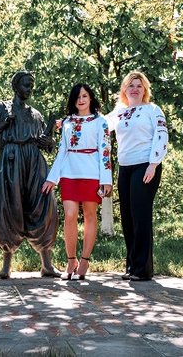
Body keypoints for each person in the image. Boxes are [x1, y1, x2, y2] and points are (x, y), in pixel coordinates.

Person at [0, 71, 61, 279]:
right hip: (11, 160)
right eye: (26, 85)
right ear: (15, 86)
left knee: (42, 206)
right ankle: (6, 265)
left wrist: (49, 141)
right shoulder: (1, 108)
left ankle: (47, 264)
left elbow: (48, 145)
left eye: (31, 86)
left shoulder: (36, 114)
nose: (29, 89)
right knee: (9, 207)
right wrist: (4, 124)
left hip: (35, 162)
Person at [42, 83, 112, 280]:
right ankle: (71, 260)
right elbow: (62, 151)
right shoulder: (67, 122)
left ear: (91, 98)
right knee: (70, 214)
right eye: (77, 97)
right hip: (69, 173)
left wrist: (106, 180)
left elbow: (105, 151)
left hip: (92, 173)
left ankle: (85, 260)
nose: (81, 100)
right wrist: (52, 178)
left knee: (90, 215)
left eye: (84, 96)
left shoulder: (101, 122)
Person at [106, 70, 168, 281]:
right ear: (124, 89)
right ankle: (132, 266)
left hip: (146, 165)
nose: (134, 89)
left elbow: (161, 135)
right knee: (128, 217)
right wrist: (69, 121)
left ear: (144, 90)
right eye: (130, 85)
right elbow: (97, 125)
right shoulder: (119, 113)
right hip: (125, 167)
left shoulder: (152, 109)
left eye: (139, 86)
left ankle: (143, 270)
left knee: (140, 215)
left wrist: (153, 164)